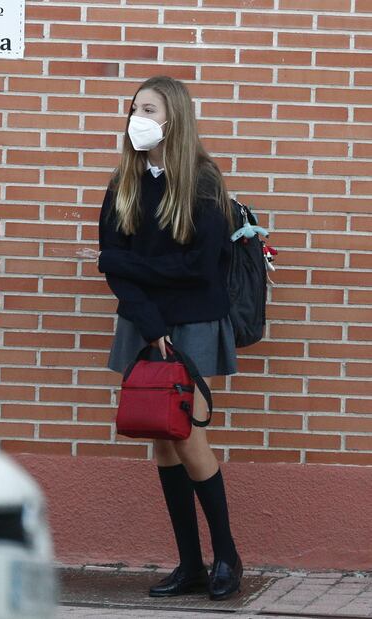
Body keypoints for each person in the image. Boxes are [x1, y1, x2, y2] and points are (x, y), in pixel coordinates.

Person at [97, 76, 243, 601]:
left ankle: (227, 557)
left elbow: (198, 269)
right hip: (146, 322)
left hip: (195, 321)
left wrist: (132, 263)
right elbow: (110, 264)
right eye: (134, 108)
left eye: (149, 108)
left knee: (187, 436)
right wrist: (149, 319)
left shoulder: (203, 181)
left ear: (172, 118)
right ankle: (191, 565)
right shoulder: (126, 182)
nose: (137, 116)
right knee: (160, 442)